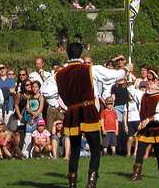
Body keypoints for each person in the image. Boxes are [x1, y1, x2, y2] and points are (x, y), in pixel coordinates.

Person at [41, 41, 127, 188]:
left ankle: (72, 183)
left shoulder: (58, 74)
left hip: (72, 112)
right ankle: (91, 181)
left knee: (74, 150)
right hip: (88, 110)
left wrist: (59, 106)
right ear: (80, 53)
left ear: (68, 53)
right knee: (95, 148)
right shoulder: (90, 69)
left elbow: (46, 91)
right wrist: (124, 70)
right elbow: (113, 76)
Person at [130, 70, 159, 181]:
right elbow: (131, 90)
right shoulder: (143, 96)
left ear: (158, 88)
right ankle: (136, 174)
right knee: (140, 151)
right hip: (145, 130)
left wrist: (148, 120)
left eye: (153, 82)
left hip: (155, 130)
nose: (150, 82)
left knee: (158, 154)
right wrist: (129, 74)